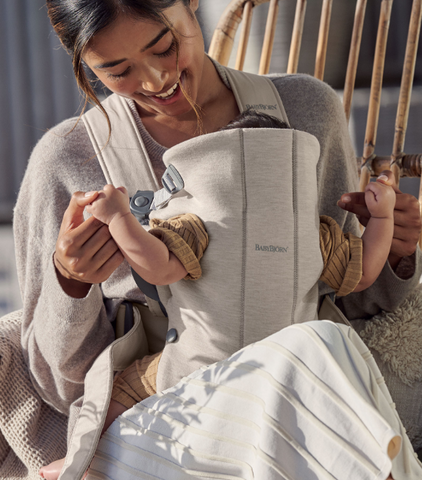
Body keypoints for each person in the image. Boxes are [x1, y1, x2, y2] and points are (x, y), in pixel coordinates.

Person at [11, 0, 421, 478]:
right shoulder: (67, 159)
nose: (154, 81)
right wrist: (72, 282)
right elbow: (58, 386)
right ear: (82, 63)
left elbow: (357, 297)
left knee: (314, 351)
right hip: (166, 413)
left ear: (193, 5)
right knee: (313, 359)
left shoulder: (306, 111)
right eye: (117, 70)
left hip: (299, 384)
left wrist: (395, 246)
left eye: (165, 47)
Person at [39, 109, 397, 479]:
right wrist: (382, 219)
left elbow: (158, 266)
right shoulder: (312, 233)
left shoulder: (198, 223)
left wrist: (119, 219)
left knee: (113, 394)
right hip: (288, 371)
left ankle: (78, 461)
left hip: (195, 367)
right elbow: (365, 272)